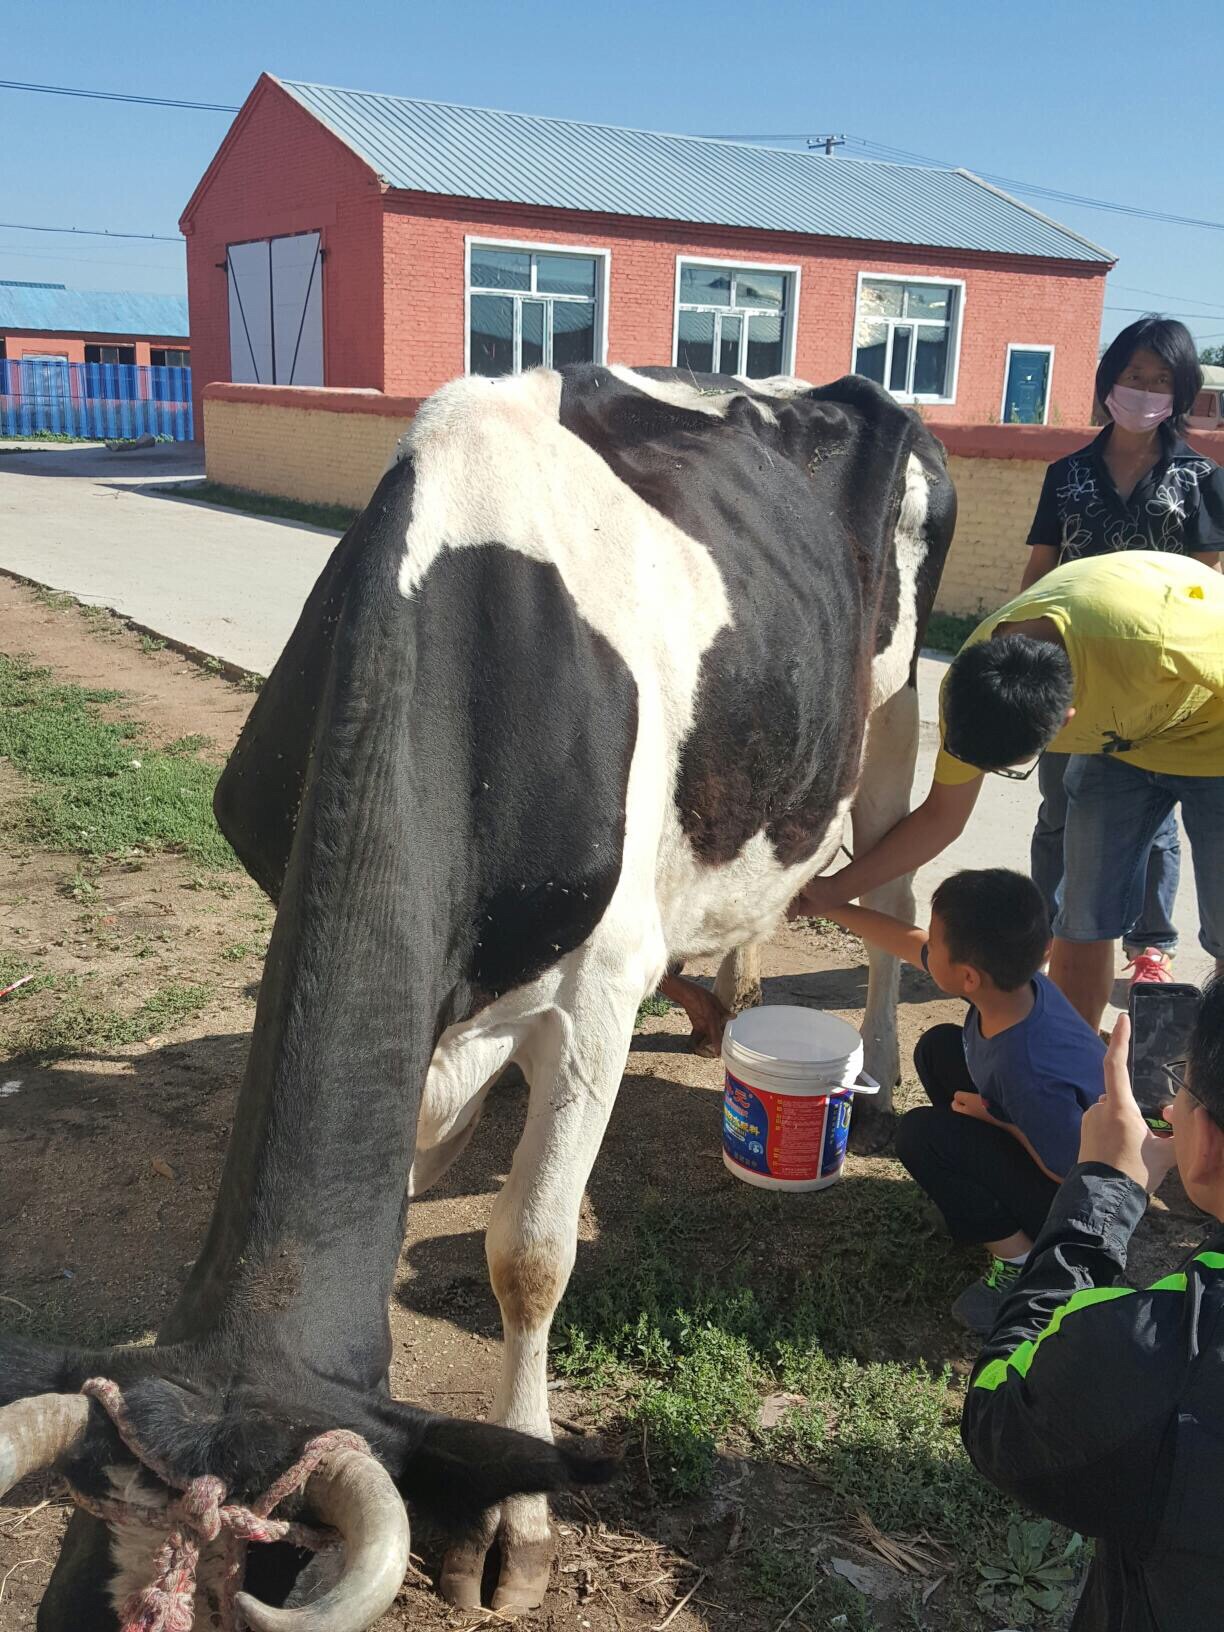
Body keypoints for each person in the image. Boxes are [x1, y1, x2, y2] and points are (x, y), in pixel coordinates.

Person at [793, 550, 1224, 1033]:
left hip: (1214, 737)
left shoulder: (1163, 634)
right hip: (1122, 749)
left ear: (1066, 721)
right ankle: (1071, 1067)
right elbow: (941, 818)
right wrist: (830, 891)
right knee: (1082, 920)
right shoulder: (977, 685)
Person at [961, 977, 1224, 1630]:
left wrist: (1102, 1189)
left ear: (1211, 1142)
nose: (1170, 1108)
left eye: (1182, 1086)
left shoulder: (1167, 1351)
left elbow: (1002, 1411)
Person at [1022, 317, 1223, 980]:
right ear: (1110, 379)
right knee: (1060, 807)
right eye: (1134, 376)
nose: (1144, 390)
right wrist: (1024, 647)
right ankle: (1050, 933)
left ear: (1182, 391)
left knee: (1155, 818)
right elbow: (1041, 569)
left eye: (1161, 380)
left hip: (1163, 685)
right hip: (1074, 675)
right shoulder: (1067, 474)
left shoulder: (1202, 479)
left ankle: (1149, 947)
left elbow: (1209, 580)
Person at [823, 869, 1104, 1333]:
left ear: (968, 977)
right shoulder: (1022, 987)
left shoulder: (1026, 1066)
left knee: (920, 1135)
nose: (926, 948)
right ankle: (978, 1198)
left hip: (1077, 1203)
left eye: (935, 943)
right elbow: (905, 941)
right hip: (1049, 1131)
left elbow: (1070, 1164)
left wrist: (995, 1119)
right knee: (937, 1049)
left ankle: (1024, 1264)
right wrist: (827, 904)